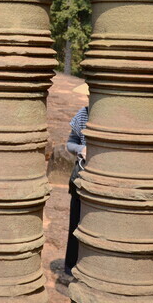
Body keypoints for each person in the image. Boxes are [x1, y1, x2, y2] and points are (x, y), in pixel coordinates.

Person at [62, 91, 89, 279]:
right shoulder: (83, 114)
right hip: (80, 176)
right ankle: (71, 265)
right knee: (75, 223)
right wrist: (81, 149)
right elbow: (70, 143)